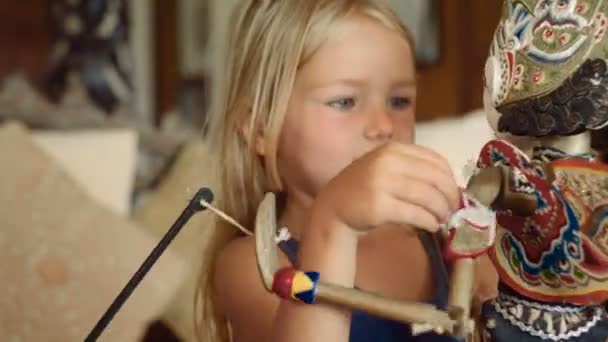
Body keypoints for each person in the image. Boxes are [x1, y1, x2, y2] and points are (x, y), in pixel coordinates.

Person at [196, 1, 498, 341]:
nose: (383, 126)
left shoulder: (442, 236)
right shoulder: (252, 266)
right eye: (344, 102)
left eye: (399, 101)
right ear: (260, 130)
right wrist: (334, 223)